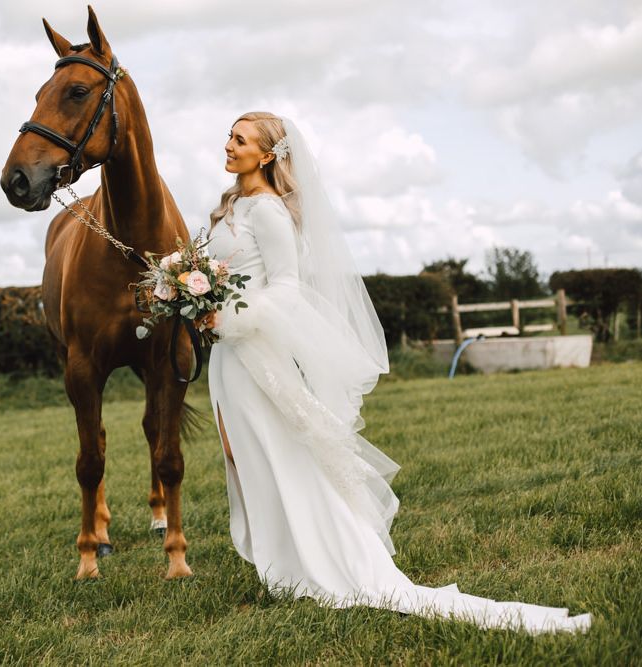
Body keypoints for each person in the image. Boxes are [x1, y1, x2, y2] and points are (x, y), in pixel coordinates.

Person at [199, 111, 591, 634]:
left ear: (267, 155)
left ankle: (319, 557)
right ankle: (286, 562)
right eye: (230, 135)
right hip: (225, 353)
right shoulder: (230, 207)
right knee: (242, 454)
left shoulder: (268, 212)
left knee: (274, 451)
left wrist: (229, 318)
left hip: (253, 349)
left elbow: (287, 287)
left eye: (240, 139)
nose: (228, 145)